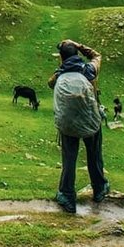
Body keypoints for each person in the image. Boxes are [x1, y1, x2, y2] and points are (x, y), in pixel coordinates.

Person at [48, 39, 110, 214]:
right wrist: (79, 46)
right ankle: (99, 189)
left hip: (67, 125)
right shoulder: (89, 70)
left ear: (61, 57)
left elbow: (50, 84)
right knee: (94, 155)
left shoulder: (59, 75)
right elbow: (97, 55)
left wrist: (61, 65)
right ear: (77, 54)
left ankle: (67, 196)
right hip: (91, 121)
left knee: (69, 159)